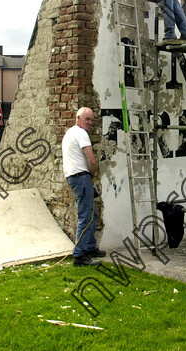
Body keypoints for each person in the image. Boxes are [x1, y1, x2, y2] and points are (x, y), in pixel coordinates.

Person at [63, 107, 106, 266]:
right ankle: (79, 255)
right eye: (87, 119)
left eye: (91, 120)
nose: (89, 122)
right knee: (86, 216)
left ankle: (89, 247)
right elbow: (92, 160)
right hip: (81, 178)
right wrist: (92, 176)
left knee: (92, 213)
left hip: (74, 177)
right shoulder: (81, 133)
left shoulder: (70, 133)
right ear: (78, 118)